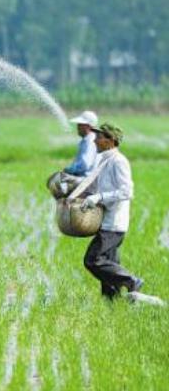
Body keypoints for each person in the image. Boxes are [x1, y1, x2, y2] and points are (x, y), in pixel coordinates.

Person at [77, 123, 143, 299]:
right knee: (109, 264)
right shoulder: (104, 160)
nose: (95, 141)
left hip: (113, 223)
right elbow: (95, 186)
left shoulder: (119, 161)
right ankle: (112, 304)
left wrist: (99, 198)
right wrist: (76, 194)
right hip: (105, 220)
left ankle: (131, 281)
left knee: (92, 260)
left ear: (110, 141)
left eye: (99, 137)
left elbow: (127, 191)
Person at [64, 110, 98, 177]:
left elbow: (85, 165)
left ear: (89, 126)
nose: (78, 127)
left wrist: (71, 170)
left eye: (80, 125)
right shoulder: (88, 139)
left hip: (86, 181)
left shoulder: (90, 142)